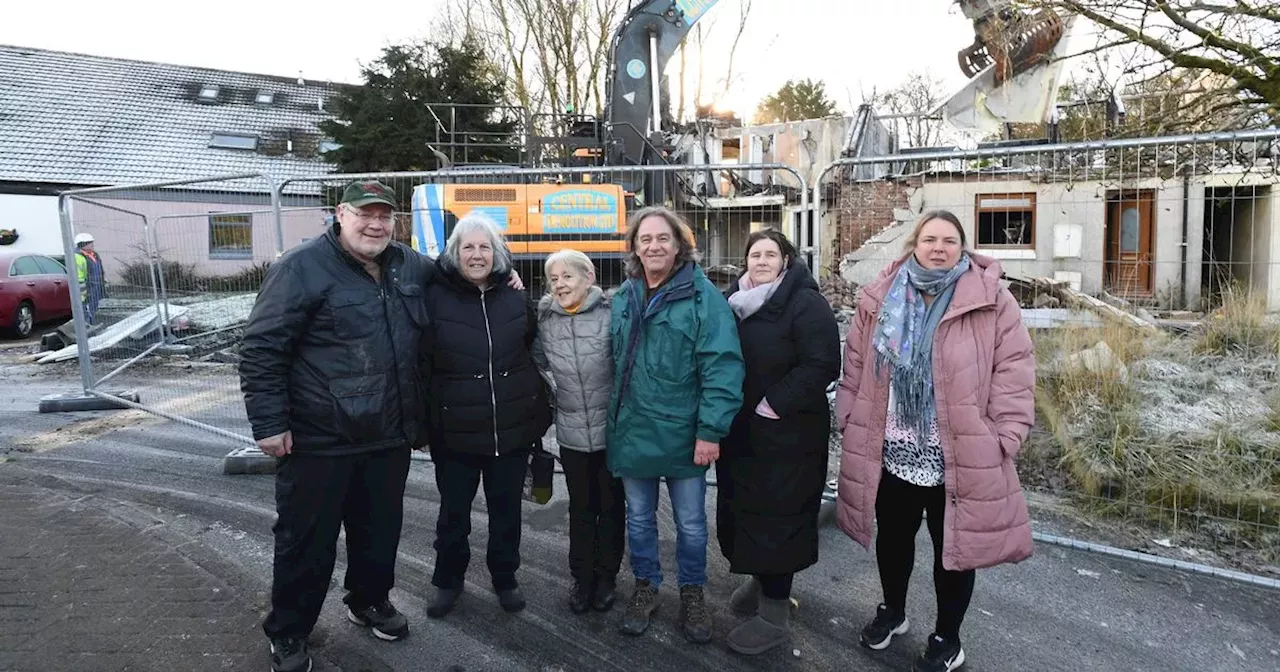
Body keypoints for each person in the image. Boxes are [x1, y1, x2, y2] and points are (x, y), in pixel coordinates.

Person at [834, 210, 1036, 672]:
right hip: (893, 448)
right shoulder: (881, 296)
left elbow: (1015, 369)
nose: (939, 247)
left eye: (949, 240)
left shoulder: (991, 299)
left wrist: (1006, 435)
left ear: (962, 248)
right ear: (914, 244)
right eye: (930, 239)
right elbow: (858, 362)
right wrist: (848, 412)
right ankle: (892, 610)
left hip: (959, 452)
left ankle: (948, 638)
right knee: (894, 540)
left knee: (956, 552)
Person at [239, 180, 426, 672]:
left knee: (379, 532)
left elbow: (460, 275)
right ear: (340, 213)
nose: (376, 223)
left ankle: (369, 601)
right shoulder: (301, 268)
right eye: (365, 213)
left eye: (385, 215)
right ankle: (289, 631)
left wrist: (504, 273)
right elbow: (261, 349)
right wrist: (269, 423)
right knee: (307, 542)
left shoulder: (407, 264)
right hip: (319, 438)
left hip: (387, 433)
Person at [606, 205, 745, 643]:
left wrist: (710, 431)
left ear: (680, 245)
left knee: (690, 523)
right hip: (633, 430)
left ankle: (692, 592)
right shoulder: (624, 297)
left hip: (686, 434)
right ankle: (646, 586)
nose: (653, 246)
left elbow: (723, 367)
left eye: (662, 238)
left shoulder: (705, 299)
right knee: (640, 520)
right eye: (644, 239)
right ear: (634, 247)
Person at [716, 228, 840, 655]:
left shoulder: (805, 303)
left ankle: (774, 616)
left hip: (789, 432)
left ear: (786, 261)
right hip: (742, 431)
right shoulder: (734, 302)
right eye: (755, 254)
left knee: (780, 516)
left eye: (771, 253)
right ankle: (760, 579)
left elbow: (824, 361)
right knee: (745, 510)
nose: (762, 260)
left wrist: (774, 403)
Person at [422, 211, 550, 620]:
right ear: (454, 253)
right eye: (468, 247)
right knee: (453, 514)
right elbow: (420, 363)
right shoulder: (433, 296)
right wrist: (425, 421)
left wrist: (536, 408)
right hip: (455, 430)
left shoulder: (515, 295)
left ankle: (505, 576)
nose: (476, 255)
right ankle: (447, 579)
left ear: (497, 254)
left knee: (506, 511)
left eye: (484, 247)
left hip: (510, 431)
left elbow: (532, 349)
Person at [530, 249, 625, 615]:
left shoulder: (611, 314)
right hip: (570, 434)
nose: (560, 284)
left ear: (589, 277)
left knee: (612, 506)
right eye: (553, 279)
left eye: (567, 276)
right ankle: (582, 578)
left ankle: (607, 578)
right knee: (582, 509)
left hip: (612, 434)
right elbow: (538, 361)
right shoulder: (547, 320)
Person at [74, 232, 106, 325]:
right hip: (88, 290)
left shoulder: (93, 255)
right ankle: (88, 331)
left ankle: (92, 327)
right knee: (87, 312)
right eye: (90, 243)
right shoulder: (78, 257)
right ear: (83, 244)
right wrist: (84, 294)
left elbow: (99, 270)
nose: (92, 244)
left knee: (94, 310)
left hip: (95, 288)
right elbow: (79, 278)